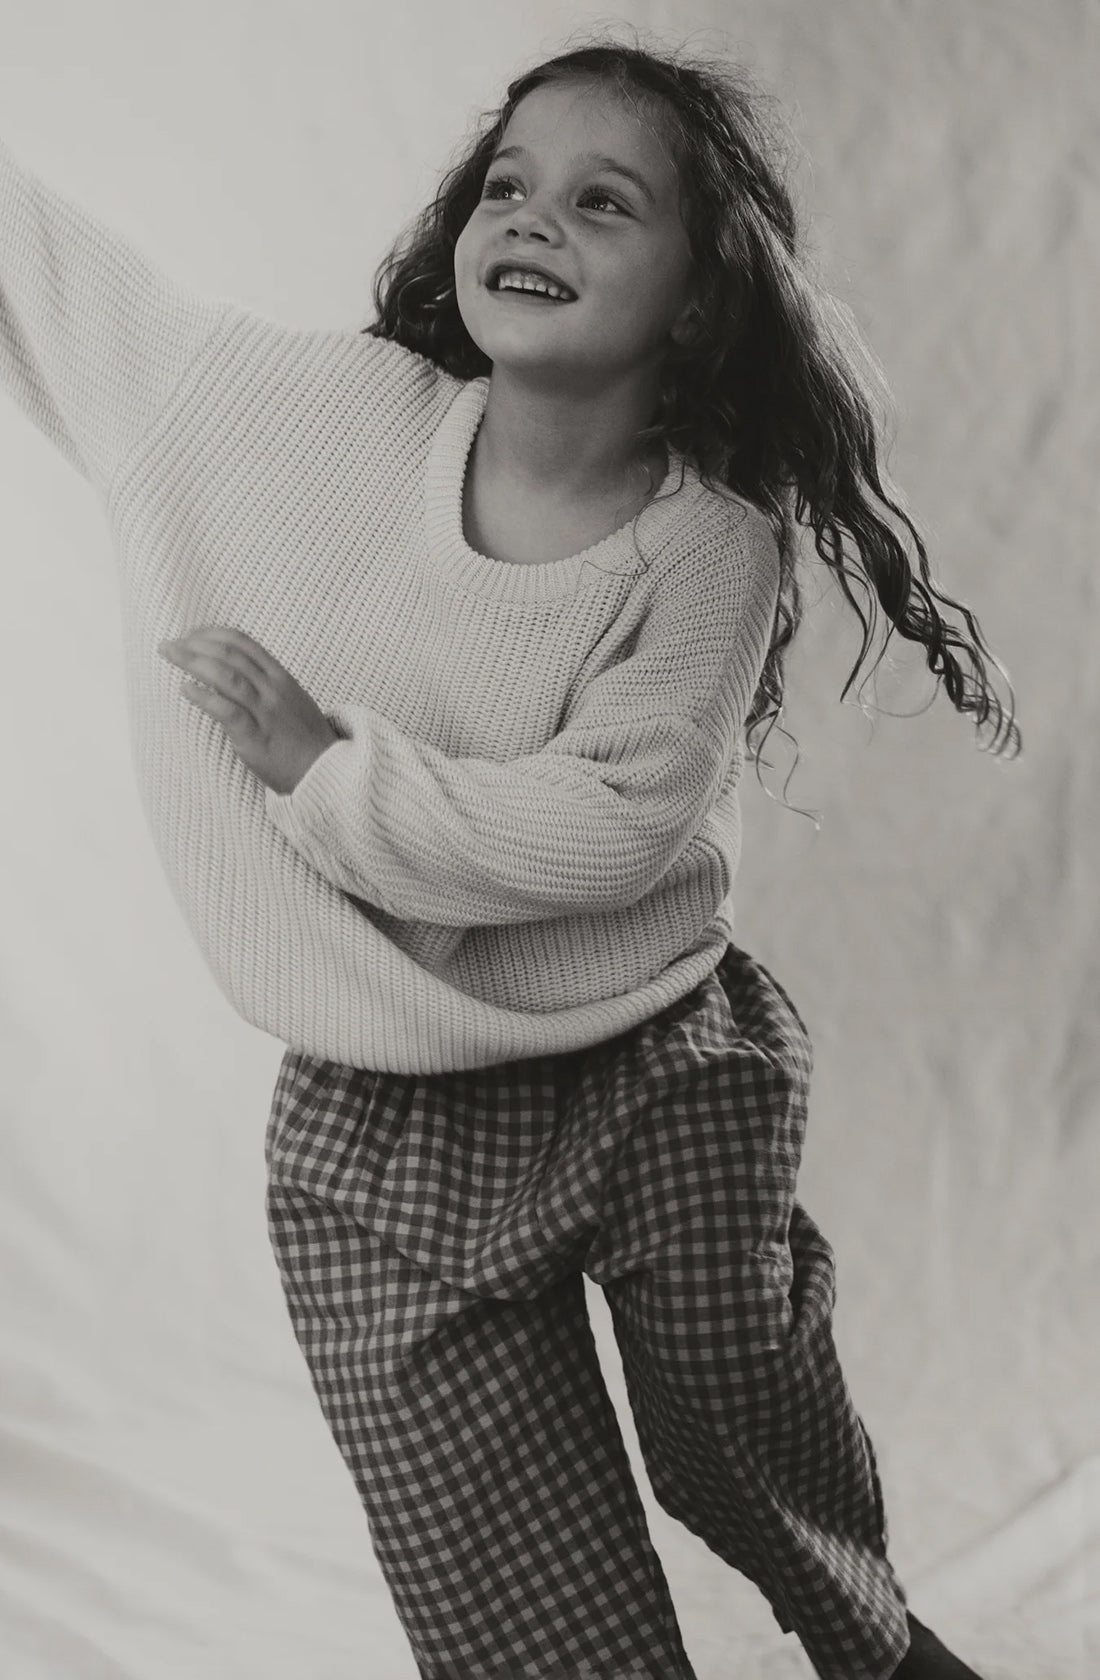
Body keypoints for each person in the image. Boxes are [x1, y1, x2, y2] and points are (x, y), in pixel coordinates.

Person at [0, 31, 1018, 1680]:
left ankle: (881, 1645)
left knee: (742, 1428)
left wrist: (329, 772)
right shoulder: (319, 416)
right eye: (506, 183)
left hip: (653, 1071)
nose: (531, 217)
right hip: (380, 1124)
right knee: (518, 1603)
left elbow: (610, 825)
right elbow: (78, 300)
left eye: (601, 200)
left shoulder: (708, 547)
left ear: (699, 298)